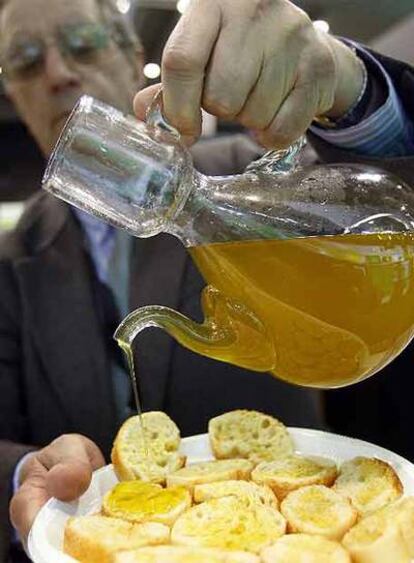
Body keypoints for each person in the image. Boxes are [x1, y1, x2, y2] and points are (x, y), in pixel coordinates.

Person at [0, 0, 412, 561]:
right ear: (14, 94)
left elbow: (392, 190)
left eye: (82, 44)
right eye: (25, 61)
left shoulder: (255, 167)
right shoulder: (9, 261)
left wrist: (347, 86)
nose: (57, 73)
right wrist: (26, 469)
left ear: (133, 58)